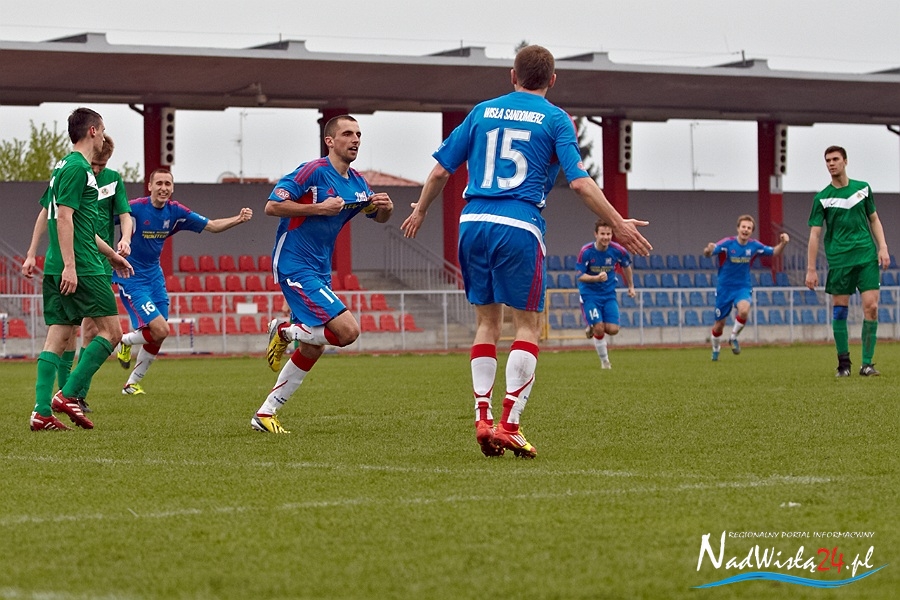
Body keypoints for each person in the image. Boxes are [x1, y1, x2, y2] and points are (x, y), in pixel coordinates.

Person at [400, 45, 652, 459]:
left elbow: (441, 170)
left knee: (486, 323)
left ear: (512, 75)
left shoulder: (481, 111)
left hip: (472, 220)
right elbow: (580, 182)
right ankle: (510, 425)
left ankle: (482, 419)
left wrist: (421, 209)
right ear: (552, 80)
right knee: (528, 326)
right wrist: (619, 223)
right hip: (518, 223)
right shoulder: (556, 119)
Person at [255, 114, 393, 434]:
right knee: (348, 332)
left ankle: (265, 413)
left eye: (358, 134)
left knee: (313, 347)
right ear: (330, 141)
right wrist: (318, 208)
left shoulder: (358, 182)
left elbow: (377, 216)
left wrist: (385, 208)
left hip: (319, 267)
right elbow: (272, 206)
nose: (355, 139)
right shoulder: (312, 171)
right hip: (293, 262)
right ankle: (285, 331)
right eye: (347, 133)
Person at [29, 107, 134, 431]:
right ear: (92, 131)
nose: (103, 136)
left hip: (58, 264)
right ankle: (68, 394)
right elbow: (64, 218)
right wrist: (72, 267)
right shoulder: (78, 168)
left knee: (58, 337)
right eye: (102, 130)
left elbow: (82, 225)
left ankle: (41, 411)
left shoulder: (63, 165)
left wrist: (112, 255)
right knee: (112, 333)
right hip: (82, 266)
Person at [114, 169, 253, 394]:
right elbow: (100, 221)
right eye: (159, 183)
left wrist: (238, 219)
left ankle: (131, 384)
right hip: (131, 276)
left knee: (158, 335)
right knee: (161, 329)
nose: (163, 188)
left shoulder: (176, 211)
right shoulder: (135, 208)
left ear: (172, 187)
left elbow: (212, 226)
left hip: (155, 277)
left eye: (167, 184)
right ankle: (124, 341)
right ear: (149, 186)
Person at [806, 145, 889, 377]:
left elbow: (874, 219)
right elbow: (814, 235)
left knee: (872, 307)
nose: (831, 164)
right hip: (840, 259)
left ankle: (867, 364)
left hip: (866, 256)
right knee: (840, 310)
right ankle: (844, 364)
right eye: (827, 160)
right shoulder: (822, 198)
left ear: (845, 161)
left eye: (835, 159)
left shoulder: (863, 188)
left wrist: (882, 247)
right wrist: (811, 269)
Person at [703, 215, 788, 361]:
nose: (746, 230)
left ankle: (733, 337)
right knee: (719, 325)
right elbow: (709, 253)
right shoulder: (728, 243)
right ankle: (716, 349)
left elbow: (774, 252)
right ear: (738, 228)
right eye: (743, 227)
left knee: (744, 311)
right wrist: (708, 250)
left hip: (742, 286)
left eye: (749, 228)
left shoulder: (754, 246)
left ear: (751, 231)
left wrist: (783, 243)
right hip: (724, 288)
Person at [576, 219, 636, 370]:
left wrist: (630, 286)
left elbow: (626, 266)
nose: (606, 237)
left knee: (613, 330)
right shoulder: (586, 251)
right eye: (602, 234)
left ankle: (592, 326)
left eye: (608, 234)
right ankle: (605, 362)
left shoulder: (618, 250)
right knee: (600, 328)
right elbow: (579, 275)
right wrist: (596, 278)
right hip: (590, 295)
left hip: (609, 295)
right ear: (596, 234)